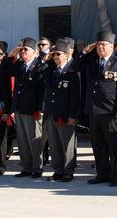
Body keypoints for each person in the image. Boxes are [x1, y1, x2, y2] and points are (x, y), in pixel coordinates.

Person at [77, 31, 117, 187]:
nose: (100, 47)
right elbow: (75, 66)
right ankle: (102, 173)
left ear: (112, 46)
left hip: (110, 111)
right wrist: (86, 51)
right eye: (98, 44)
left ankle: (115, 175)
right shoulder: (92, 62)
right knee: (98, 145)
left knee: (113, 146)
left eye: (104, 44)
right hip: (94, 110)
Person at [43, 38, 81, 182]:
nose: (56, 57)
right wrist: (45, 60)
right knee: (54, 144)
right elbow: (38, 74)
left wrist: (72, 115)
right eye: (54, 54)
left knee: (67, 144)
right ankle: (58, 169)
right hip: (51, 113)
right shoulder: (52, 70)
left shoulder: (72, 72)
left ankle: (68, 171)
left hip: (65, 114)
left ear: (66, 55)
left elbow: (75, 97)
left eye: (59, 54)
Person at [8, 37, 46, 178]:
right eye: (22, 49)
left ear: (35, 53)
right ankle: (26, 167)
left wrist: (40, 109)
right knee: (22, 141)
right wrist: (13, 52)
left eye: (26, 49)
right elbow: (6, 69)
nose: (23, 51)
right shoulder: (19, 65)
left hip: (32, 110)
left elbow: (42, 90)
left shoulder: (40, 66)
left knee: (34, 140)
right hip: (19, 108)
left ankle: (37, 168)